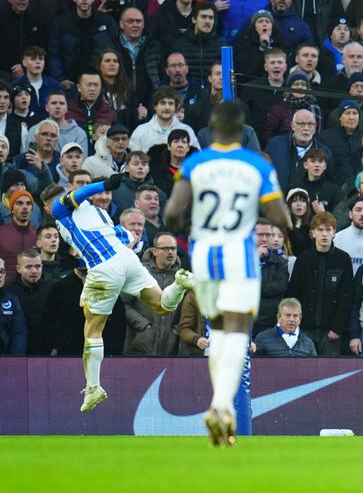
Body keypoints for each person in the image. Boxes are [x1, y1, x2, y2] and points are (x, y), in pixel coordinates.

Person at [164, 102, 291, 446]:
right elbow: (282, 218)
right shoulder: (255, 164)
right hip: (240, 255)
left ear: (213, 126)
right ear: (242, 129)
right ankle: (222, 404)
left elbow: (172, 214)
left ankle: (219, 401)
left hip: (205, 254)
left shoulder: (195, 162)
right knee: (236, 333)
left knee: (217, 330)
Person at [54, 173, 193, 412]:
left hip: (103, 265)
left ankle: (93, 387)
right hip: (127, 259)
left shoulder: (60, 209)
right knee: (162, 305)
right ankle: (179, 283)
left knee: (93, 329)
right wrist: (130, 233)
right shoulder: (100, 215)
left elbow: (76, 196)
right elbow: (123, 235)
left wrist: (104, 186)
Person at [286, 212, 354, 356]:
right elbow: (293, 294)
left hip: (331, 332)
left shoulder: (343, 259)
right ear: (312, 233)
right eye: (320, 230)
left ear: (334, 233)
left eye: (328, 230)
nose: (324, 234)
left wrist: (338, 328)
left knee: (330, 374)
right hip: (304, 330)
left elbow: (347, 297)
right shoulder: (303, 259)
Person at [122, 231, 184, 356]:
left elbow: (189, 311)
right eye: (165, 249)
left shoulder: (182, 278)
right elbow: (123, 304)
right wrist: (144, 326)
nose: (170, 252)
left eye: (173, 248)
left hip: (172, 349)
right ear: (154, 251)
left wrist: (176, 330)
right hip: (140, 346)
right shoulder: (139, 273)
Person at [253, 298, 318, 357]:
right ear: (278, 317)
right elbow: (253, 366)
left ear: (300, 319)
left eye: (295, 316)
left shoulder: (308, 343)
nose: (292, 319)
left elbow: (315, 368)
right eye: (288, 315)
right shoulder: (262, 338)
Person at [0, 257, 29, 356]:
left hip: (5, 360)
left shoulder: (12, 300)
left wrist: (16, 360)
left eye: (2, 271)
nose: (0, 275)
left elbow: (19, 332)